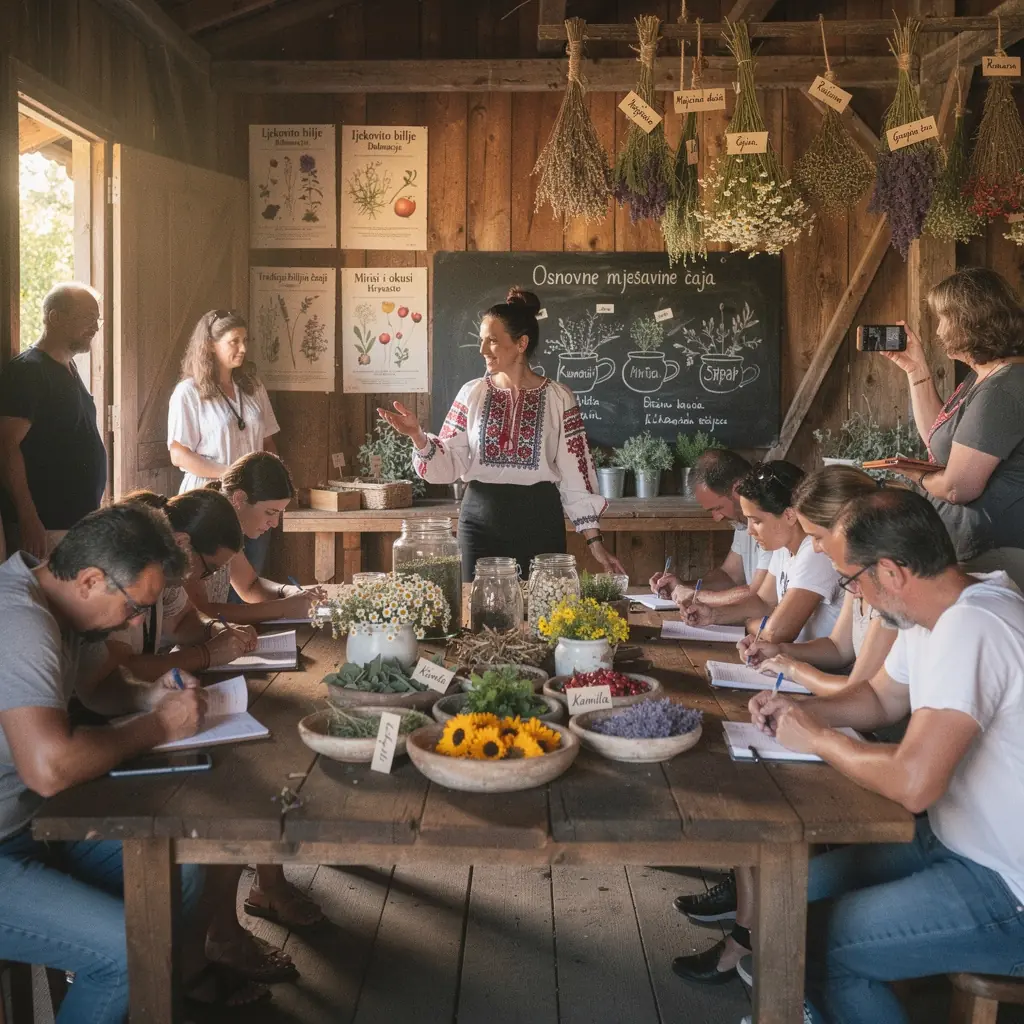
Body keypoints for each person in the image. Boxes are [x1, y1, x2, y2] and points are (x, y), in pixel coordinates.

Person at [741, 488, 1024, 1024]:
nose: (855, 595)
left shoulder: (975, 625)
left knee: (812, 943)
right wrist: (799, 711)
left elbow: (914, 783)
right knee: (785, 900)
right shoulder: (933, 612)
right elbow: (878, 698)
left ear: (891, 572)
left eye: (851, 580)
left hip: (1008, 886)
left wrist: (818, 740)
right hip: (955, 841)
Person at [0, 502, 268, 1018]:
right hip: (10, 838)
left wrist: (151, 697)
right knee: (128, 952)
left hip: (32, 825)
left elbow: (99, 689)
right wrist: (159, 725)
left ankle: (145, 1001)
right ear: (90, 580)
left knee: (181, 873)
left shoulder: (63, 603)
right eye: (134, 606)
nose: (140, 621)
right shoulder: (20, 621)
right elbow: (49, 768)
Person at [672, 466, 897, 985]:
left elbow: (861, 691)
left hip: (872, 737)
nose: (813, 549)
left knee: (759, 791)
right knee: (743, 766)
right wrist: (783, 659)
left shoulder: (877, 585)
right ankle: (747, 925)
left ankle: (755, 944)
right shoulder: (854, 576)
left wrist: (792, 674)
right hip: (845, 712)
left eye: (817, 536)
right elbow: (835, 646)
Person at [123, 480, 326, 937]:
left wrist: (218, 632)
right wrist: (205, 654)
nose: (205, 575)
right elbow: (121, 671)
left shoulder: (167, 575)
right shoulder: (135, 573)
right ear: (182, 544)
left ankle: (250, 902)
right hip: (126, 723)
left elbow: (185, 620)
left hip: (158, 701)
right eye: (209, 567)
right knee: (236, 782)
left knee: (259, 752)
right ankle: (216, 934)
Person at [378, 287, 625, 581]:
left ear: (521, 343)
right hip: (480, 524)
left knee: (541, 605)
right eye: (481, 340)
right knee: (477, 604)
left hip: (540, 523)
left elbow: (576, 475)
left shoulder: (559, 398)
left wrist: (595, 544)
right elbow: (449, 465)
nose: (483, 350)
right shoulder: (472, 394)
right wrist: (418, 436)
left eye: (492, 341)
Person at [887, 268, 1024, 587]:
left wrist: (917, 475)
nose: (938, 330)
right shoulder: (984, 377)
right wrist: (915, 368)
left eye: (942, 318)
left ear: (968, 320)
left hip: (997, 555)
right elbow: (938, 440)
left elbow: (957, 488)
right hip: (977, 551)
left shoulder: (1002, 389)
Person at [167, 309, 281, 578]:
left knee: (250, 580)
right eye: (234, 342)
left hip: (252, 501)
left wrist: (270, 484)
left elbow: (268, 441)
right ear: (210, 345)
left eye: (245, 340)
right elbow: (179, 454)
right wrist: (232, 474)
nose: (243, 349)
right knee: (212, 582)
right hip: (209, 501)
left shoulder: (252, 387)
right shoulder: (188, 392)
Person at [680, 461, 843, 644]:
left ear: (789, 515)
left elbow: (776, 632)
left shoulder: (815, 552)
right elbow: (764, 602)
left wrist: (749, 623)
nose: (750, 530)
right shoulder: (784, 546)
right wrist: (713, 615)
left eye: (756, 521)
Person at [0, 283, 107, 559]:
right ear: (55, 317)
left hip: (74, 525)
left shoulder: (70, 368)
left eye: (97, 320)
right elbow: (6, 447)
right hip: (44, 527)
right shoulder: (29, 371)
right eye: (88, 318)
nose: (95, 328)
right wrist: (28, 518)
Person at [188, 452, 325, 625]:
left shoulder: (228, 529)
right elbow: (199, 611)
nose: (275, 523)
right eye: (270, 512)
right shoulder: (201, 529)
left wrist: (289, 592)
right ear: (239, 498)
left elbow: (250, 586)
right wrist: (283, 608)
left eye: (279, 513)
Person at [649, 449, 771, 606]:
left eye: (718, 508)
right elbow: (730, 576)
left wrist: (697, 596)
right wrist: (683, 587)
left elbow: (759, 595)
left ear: (737, 489)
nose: (717, 518)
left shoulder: (771, 522)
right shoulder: (741, 521)